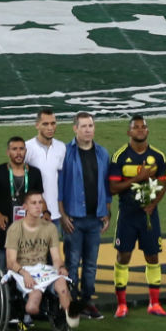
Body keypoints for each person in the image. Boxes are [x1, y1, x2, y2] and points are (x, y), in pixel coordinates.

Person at [111, 114, 166, 316]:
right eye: (135, 127)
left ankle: (154, 303)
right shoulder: (119, 156)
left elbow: (163, 184)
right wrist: (138, 178)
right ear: (129, 132)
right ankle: (122, 304)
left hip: (149, 216)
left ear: (147, 131)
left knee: (153, 256)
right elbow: (112, 188)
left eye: (143, 127)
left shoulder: (158, 156)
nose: (139, 130)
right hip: (127, 215)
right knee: (123, 256)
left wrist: (153, 204)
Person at [60, 112, 113, 318]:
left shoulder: (102, 153)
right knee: (72, 263)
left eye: (90, 125)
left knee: (91, 264)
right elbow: (60, 187)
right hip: (73, 218)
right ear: (75, 129)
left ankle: (87, 301)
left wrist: (107, 212)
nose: (88, 129)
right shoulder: (65, 152)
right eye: (83, 126)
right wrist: (63, 214)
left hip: (95, 218)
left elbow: (106, 186)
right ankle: (71, 303)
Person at [8, 188, 74, 331]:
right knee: (34, 302)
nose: (38, 206)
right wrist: (24, 274)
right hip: (23, 270)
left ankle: (70, 317)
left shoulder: (50, 228)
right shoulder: (15, 229)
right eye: (34, 203)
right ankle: (26, 312)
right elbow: (11, 262)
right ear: (25, 207)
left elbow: (56, 258)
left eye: (40, 203)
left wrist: (61, 267)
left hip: (43, 269)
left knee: (63, 285)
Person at [0, 136, 45, 264]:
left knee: (28, 269)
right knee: (1, 269)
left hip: (29, 228)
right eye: (14, 149)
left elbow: (40, 199)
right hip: (5, 228)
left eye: (21, 149)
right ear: (8, 152)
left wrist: (45, 213)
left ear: (25, 151)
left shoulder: (35, 173)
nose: (18, 153)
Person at [28, 109, 68, 225]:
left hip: (54, 215)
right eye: (45, 124)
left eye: (53, 123)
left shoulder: (61, 147)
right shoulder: (27, 148)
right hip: (32, 215)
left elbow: (60, 181)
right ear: (37, 125)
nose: (50, 128)